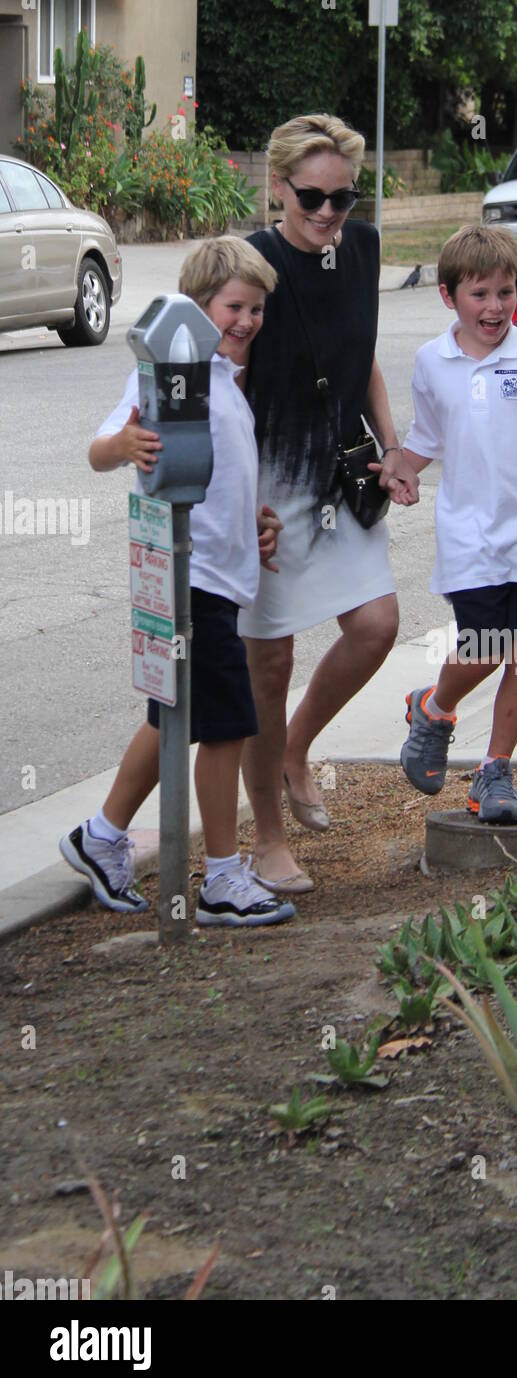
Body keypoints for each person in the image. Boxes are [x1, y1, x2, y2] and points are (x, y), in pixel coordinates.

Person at [60, 237, 295, 928]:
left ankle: (102, 837)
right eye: (233, 307)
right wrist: (125, 446)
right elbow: (101, 448)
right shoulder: (168, 370)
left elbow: (222, 475)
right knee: (227, 729)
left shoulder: (223, 379)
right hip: (192, 581)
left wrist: (256, 519)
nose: (247, 321)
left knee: (171, 716)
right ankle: (222, 878)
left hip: (217, 573)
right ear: (195, 308)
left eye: (256, 309)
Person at [381, 224, 517, 825]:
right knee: (486, 645)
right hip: (470, 534)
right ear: (449, 296)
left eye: (506, 292)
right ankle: (434, 706)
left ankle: (495, 773)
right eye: (479, 294)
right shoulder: (433, 360)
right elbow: (429, 436)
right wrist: (401, 465)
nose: (495, 307)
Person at [239, 113, 406, 894]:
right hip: (268, 482)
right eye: (312, 197)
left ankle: (297, 747)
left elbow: (361, 353)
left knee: (376, 625)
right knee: (267, 659)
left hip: (344, 472)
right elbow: (223, 383)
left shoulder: (363, 249)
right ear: (277, 186)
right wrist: (237, 504)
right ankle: (267, 836)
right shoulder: (250, 264)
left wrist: (393, 444)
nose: (329, 213)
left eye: (343, 198)